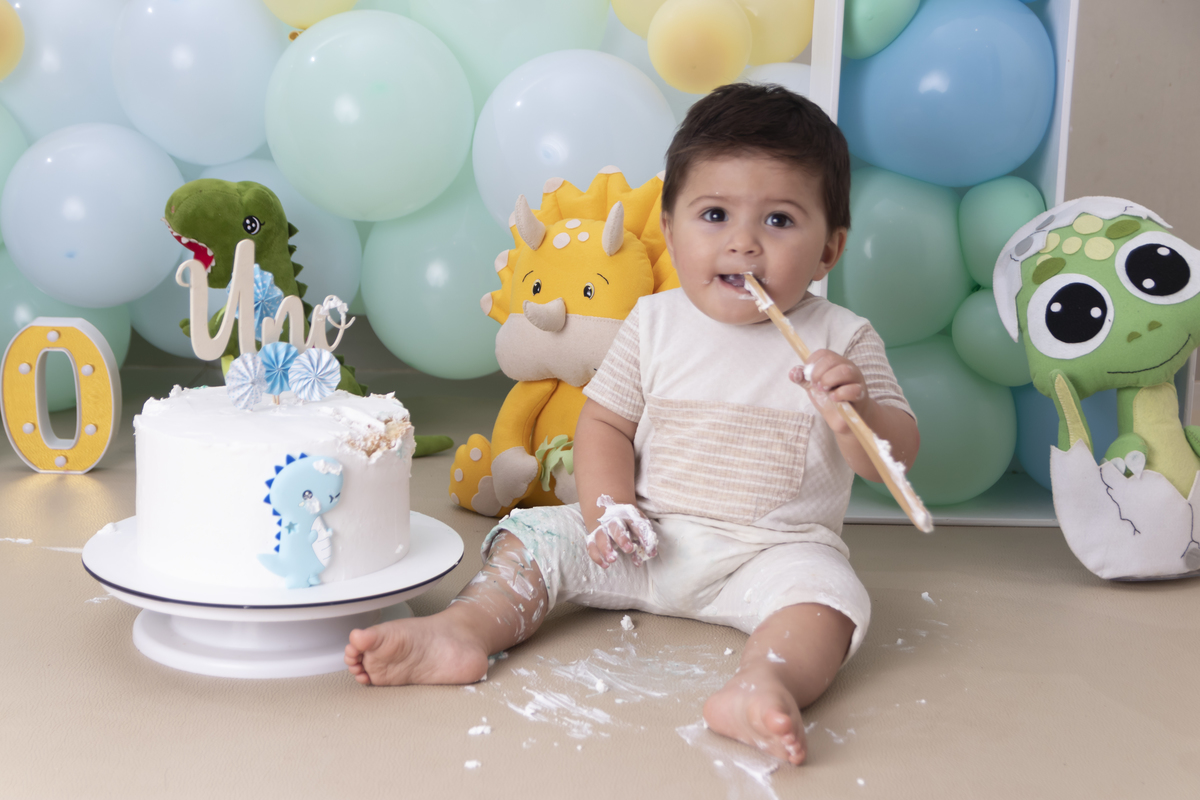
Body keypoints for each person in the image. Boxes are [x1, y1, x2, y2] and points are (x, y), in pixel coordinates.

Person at [345, 83, 919, 765]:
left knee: (830, 599)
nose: (743, 243)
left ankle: (765, 681)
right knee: (533, 537)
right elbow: (604, 425)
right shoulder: (654, 322)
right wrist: (608, 509)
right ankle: (464, 629)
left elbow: (897, 458)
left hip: (770, 556)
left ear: (830, 249)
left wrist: (855, 417)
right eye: (715, 215)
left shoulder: (843, 339)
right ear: (671, 232)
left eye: (779, 221)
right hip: (644, 537)